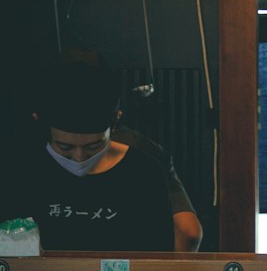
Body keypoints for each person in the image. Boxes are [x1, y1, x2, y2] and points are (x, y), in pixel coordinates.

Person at [0, 59, 176, 253]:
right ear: (39, 123)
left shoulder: (143, 173)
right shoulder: (17, 170)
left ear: (116, 120)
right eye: (65, 146)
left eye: (94, 146)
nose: (79, 156)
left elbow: (156, 256)